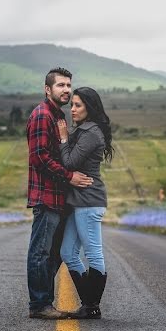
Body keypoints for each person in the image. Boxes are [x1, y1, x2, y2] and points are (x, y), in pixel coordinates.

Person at [26, 67, 94, 319]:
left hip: (59, 197)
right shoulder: (43, 115)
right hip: (47, 196)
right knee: (41, 252)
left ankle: (44, 302)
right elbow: (40, 158)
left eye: (68, 85)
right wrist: (70, 177)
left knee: (54, 253)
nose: (66, 90)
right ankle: (39, 305)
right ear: (47, 89)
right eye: (60, 85)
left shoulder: (57, 116)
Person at [57, 87, 112, 319]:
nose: (73, 109)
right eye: (72, 105)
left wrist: (62, 139)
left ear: (90, 107)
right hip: (79, 201)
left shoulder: (91, 133)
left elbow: (69, 162)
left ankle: (92, 307)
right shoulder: (84, 130)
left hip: (89, 201)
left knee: (93, 254)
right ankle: (89, 304)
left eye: (78, 105)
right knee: (68, 252)